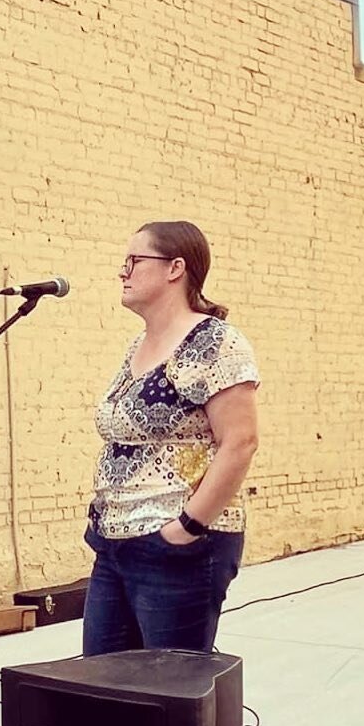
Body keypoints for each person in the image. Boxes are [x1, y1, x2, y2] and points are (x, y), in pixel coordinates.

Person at [82, 220, 260, 657]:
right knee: (101, 686)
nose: (123, 272)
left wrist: (186, 527)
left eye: (135, 261)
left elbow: (240, 442)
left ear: (175, 268)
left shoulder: (216, 342)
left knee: (170, 695)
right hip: (114, 542)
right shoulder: (137, 346)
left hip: (177, 546)